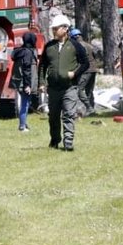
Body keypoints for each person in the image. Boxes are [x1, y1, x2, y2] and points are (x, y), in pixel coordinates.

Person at [38, 14, 89, 151]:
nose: (54, 31)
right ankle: (55, 140)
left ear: (65, 28)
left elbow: (85, 63)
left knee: (68, 115)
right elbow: (42, 66)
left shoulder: (75, 45)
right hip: (53, 88)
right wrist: (42, 83)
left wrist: (75, 73)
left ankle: (68, 143)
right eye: (53, 29)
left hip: (69, 87)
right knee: (53, 117)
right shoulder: (49, 46)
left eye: (56, 28)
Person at [9, 33, 38, 132]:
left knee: (25, 103)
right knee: (25, 104)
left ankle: (24, 123)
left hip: (19, 81)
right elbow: (27, 70)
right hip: (25, 83)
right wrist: (27, 85)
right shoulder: (28, 53)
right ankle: (22, 126)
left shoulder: (20, 51)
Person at [70, 28, 98, 116]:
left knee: (79, 90)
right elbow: (94, 55)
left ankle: (89, 107)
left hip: (86, 70)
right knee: (89, 90)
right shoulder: (88, 45)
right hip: (93, 70)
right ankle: (92, 110)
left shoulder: (77, 46)